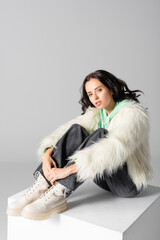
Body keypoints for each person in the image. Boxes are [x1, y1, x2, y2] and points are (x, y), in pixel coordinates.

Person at [7, 69, 153, 220]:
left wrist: (67, 171)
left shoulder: (132, 113)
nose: (94, 97)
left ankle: (59, 193)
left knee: (101, 134)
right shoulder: (97, 113)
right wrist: (47, 153)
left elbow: (114, 149)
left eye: (99, 90)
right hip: (103, 178)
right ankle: (42, 184)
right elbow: (66, 132)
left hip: (127, 184)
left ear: (111, 88)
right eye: (90, 94)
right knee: (77, 129)